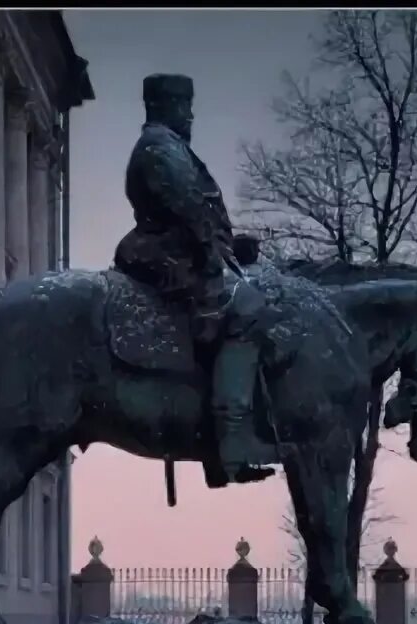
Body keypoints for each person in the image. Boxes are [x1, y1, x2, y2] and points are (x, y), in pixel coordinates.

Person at [113, 73, 273, 485]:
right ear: (162, 106)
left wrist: (232, 247)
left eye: (189, 105)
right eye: (184, 106)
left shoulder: (169, 147)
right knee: (249, 310)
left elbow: (195, 215)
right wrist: (215, 256)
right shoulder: (159, 148)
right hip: (165, 255)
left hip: (178, 249)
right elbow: (187, 211)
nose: (191, 114)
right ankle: (232, 438)